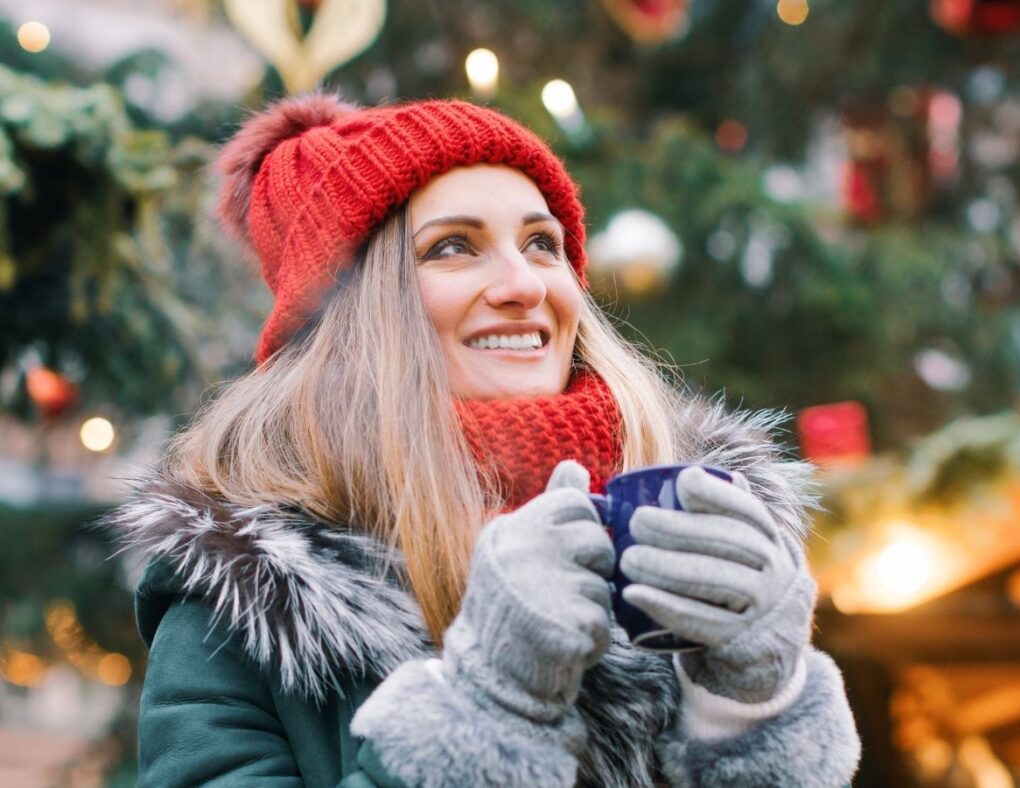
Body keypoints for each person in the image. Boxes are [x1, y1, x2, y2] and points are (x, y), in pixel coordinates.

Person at [105, 93, 860, 787]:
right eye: (452, 248)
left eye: (542, 244)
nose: (525, 284)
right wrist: (485, 707)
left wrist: (756, 708)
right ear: (355, 315)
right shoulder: (244, 602)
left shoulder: (684, 517)